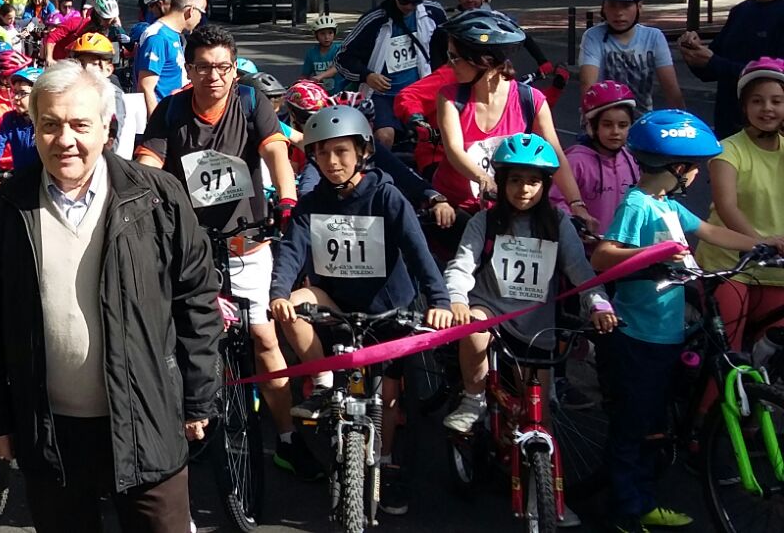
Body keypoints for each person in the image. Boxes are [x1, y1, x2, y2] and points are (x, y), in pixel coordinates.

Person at [0, 60, 220, 532]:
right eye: (50, 125)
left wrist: (198, 398)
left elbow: (196, 299)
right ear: (34, 130)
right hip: (51, 431)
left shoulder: (157, 196)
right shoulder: (4, 209)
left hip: (148, 419)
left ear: (107, 128)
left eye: (80, 124)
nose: (65, 140)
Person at [133, 24, 312, 477]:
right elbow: (148, 163)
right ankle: (185, 423)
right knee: (181, 336)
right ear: (189, 70)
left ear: (234, 71)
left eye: (223, 67)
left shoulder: (251, 104)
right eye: (203, 67)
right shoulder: (171, 111)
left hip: (245, 239)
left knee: (263, 335)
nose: (214, 76)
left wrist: (285, 200)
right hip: (188, 244)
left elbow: (275, 153)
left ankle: (288, 437)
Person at [270, 105, 453, 516]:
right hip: (338, 308)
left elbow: (419, 253)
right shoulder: (311, 203)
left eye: (342, 152)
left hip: (388, 312)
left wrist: (439, 302)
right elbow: (292, 252)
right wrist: (279, 292)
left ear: (362, 153)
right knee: (294, 307)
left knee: (387, 395)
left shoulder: (386, 196)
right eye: (322, 154)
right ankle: (322, 382)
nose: (332, 163)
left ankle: (386, 462)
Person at [591, 109, 765, 533]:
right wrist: (650, 257)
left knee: (655, 425)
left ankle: (644, 498)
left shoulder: (667, 206)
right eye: (694, 168)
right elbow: (602, 256)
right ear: (677, 168)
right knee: (634, 425)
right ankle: (625, 510)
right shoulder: (637, 205)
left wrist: (763, 244)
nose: (695, 176)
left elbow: (709, 230)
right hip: (640, 339)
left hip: (671, 334)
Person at [440, 136, 616, 500]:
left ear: (545, 185)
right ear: (501, 182)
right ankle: (473, 399)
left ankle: (550, 498)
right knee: (474, 328)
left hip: (537, 328)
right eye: (515, 180)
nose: (524, 189)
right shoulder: (484, 222)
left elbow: (581, 272)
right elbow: (462, 266)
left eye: (533, 182)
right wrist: (456, 299)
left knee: (540, 420)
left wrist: (599, 304)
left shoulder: (558, 224)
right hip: (490, 311)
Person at [432, 9, 597, 235]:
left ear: (484, 61)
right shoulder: (450, 97)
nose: (449, 65)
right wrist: (484, 180)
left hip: (507, 212)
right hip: (455, 211)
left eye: (455, 58)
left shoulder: (531, 100)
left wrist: (577, 205)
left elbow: (556, 155)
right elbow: (454, 150)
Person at [696, 58, 784, 350]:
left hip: (776, 267)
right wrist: (759, 243)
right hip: (731, 264)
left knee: (773, 356)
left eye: (776, 101)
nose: (767, 109)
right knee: (726, 354)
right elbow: (726, 207)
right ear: (744, 107)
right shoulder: (728, 151)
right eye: (757, 101)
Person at [680, 0, 784, 138]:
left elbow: (775, 76)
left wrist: (714, 62)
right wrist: (693, 53)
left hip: (773, 140)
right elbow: (710, 71)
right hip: (730, 136)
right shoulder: (741, 11)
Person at [336, 0, 447, 149]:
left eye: (416, 1)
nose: (410, 6)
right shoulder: (374, 21)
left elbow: (446, 51)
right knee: (384, 137)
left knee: (438, 136)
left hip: (420, 93)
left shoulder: (434, 13)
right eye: (404, 0)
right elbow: (342, 58)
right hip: (383, 96)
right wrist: (367, 75)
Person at [580, 0, 684, 115]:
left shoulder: (654, 37)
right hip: (604, 124)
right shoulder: (593, 36)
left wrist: (683, 123)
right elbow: (587, 85)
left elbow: (671, 89)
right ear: (603, 7)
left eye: (626, 5)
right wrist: (589, 120)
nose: (619, 13)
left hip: (642, 124)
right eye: (612, 5)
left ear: (639, 7)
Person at [551, 81, 640, 228]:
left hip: (622, 248)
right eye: (607, 124)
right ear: (592, 126)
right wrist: (576, 224)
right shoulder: (575, 161)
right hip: (583, 248)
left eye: (623, 125)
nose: (615, 131)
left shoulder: (632, 160)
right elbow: (554, 200)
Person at [134, 0, 206, 114]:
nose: (201, 18)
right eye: (201, 12)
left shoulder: (174, 34)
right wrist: (155, 126)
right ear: (191, 11)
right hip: (163, 119)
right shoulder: (158, 37)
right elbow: (145, 86)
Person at [0, 66, 43, 176]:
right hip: (20, 179)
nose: (16, 98)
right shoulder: (10, 119)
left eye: (23, 93)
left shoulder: (45, 122)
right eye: (15, 92)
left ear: (38, 95)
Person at [301, 15, 343, 94]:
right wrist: (299, 85)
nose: (327, 37)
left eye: (330, 33)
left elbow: (336, 68)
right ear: (316, 35)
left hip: (340, 94)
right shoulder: (312, 53)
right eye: (322, 34)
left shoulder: (339, 49)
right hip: (320, 95)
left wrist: (320, 77)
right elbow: (305, 75)